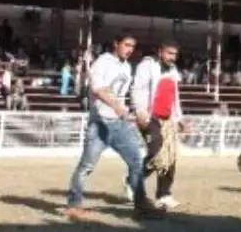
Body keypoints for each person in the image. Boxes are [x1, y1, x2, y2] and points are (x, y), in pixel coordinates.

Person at [63, 33, 161, 220]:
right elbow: (98, 90)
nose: (129, 49)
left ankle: (140, 203)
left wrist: (130, 114)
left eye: (132, 46)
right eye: (126, 44)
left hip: (119, 123)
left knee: (136, 162)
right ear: (116, 44)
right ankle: (73, 204)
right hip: (100, 123)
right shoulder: (102, 62)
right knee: (87, 165)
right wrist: (118, 108)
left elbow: (121, 95)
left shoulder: (127, 67)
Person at [130, 40, 189, 210]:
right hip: (151, 117)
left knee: (170, 156)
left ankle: (164, 194)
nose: (172, 57)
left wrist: (179, 119)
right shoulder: (147, 66)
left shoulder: (173, 71)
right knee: (156, 152)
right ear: (160, 51)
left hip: (168, 119)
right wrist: (140, 111)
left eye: (175, 54)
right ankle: (133, 179)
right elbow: (138, 89)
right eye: (169, 53)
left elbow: (174, 97)